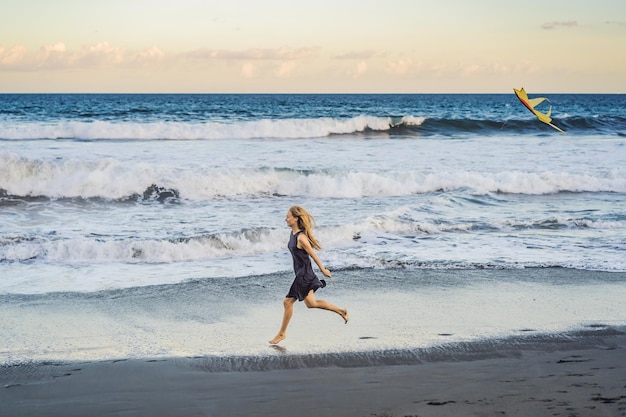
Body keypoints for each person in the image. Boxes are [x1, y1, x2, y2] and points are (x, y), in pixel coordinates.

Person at [268, 205, 348, 345]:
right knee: (311, 303)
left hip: (304, 275)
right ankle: (341, 311)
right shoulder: (293, 234)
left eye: (288, 216)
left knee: (287, 302)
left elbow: (313, 255)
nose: (285, 219)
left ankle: (282, 333)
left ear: (296, 218)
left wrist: (323, 270)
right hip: (303, 273)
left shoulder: (301, 238)